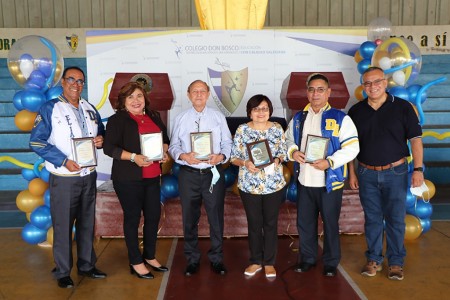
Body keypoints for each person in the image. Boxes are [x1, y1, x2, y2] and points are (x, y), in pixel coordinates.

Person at [29, 66, 106, 288]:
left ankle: (86, 265)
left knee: (86, 223)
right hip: (64, 177)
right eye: (71, 79)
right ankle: (63, 271)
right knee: (63, 225)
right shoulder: (50, 108)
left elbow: (101, 132)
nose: (76, 84)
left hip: (88, 175)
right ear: (62, 82)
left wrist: (101, 139)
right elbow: (37, 141)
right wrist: (63, 160)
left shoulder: (89, 108)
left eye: (80, 81)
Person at [348, 66, 424, 281]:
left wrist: (417, 169)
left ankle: (396, 262)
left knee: (395, 219)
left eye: (377, 82)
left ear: (385, 82)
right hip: (365, 173)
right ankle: (374, 259)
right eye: (368, 83)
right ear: (363, 86)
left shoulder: (403, 108)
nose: (373, 87)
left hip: (396, 172)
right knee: (372, 219)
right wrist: (352, 174)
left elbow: (416, 141)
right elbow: (349, 147)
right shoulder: (356, 111)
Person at [285, 73, 359, 277]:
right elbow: (287, 140)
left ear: (328, 92)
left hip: (330, 182)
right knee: (305, 223)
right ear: (307, 92)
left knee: (330, 223)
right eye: (311, 89)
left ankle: (330, 262)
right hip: (304, 180)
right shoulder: (299, 118)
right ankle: (307, 258)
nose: (315, 93)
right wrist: (293, 152)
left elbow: (353, 148)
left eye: (320, 89)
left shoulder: (341, 118)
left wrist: (330, 162)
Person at [103, 82, 170, 279]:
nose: (135, 100)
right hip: (127, 179)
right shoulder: (117, 120)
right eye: (130, 97)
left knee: (153, 216)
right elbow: (109, 148)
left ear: (145, 99)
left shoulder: (154, 116)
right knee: (132, 219)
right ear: (123, 101)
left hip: (152, 177)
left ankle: (149, 256)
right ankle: (136, 261)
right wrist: (134, 157)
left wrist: (164, 152)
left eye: (139, 96)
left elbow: (165, 138)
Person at [168, 79, 232, 276]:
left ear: (208, 94)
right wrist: (183, 156)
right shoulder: (180, 118)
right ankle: (192, 259)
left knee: (216, 218)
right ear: (188, 95)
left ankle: (217, 259)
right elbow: (173, 146)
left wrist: (221, 156)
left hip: (213, 174)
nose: (198, 95)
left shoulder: (218, 117)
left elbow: (228, 143)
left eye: (202, 91)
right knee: (189, 218)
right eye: (194, 91)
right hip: (189, 175)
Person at [230, 94, 287, 278]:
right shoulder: (242, 130)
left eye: (264, 108)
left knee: (270, 223)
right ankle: (255, 261)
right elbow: (233, 157)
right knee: (254, 224)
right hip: (249, 185)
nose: (261, 112)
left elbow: (283, 152)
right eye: (256, 109)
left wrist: (277, 159)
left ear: (270, 111)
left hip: (273, 184)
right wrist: (245, 163)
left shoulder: (277, 128)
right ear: (250, 112)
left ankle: (269, 262)